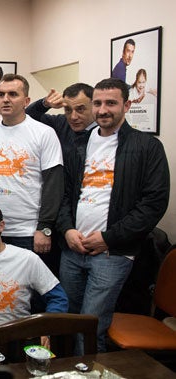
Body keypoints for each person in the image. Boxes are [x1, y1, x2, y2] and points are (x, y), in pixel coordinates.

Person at [57, 78, 169, 352]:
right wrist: (67, 230)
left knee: (92, 326)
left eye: (111, 103)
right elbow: (64, 194)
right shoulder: (79, 143)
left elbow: (153, 203)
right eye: (97, 103)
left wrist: (108, 238)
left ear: (127, 105)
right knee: (67, 322)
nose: (102, 109)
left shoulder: (147, 147)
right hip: (73, 249)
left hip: (112, 253)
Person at [0, 74, 63, 254]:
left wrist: (44, 227)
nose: (5, 99)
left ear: (26, 101)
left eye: (13, 94)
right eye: (1, 94)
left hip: (29, 233)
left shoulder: (44, 133)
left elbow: (54, 186)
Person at [0, 199, 68, 335]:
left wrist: (46, 330)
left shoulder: (27, 259)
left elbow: (58, 298)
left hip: (19, 339)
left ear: (1, 226)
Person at [26, 83, 97, 157]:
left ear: (94, 105)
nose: (73, 117)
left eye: (80, 109)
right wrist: (44, 104)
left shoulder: (105, 129)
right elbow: (27, 117)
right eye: (68, 110)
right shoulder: (61, 123)